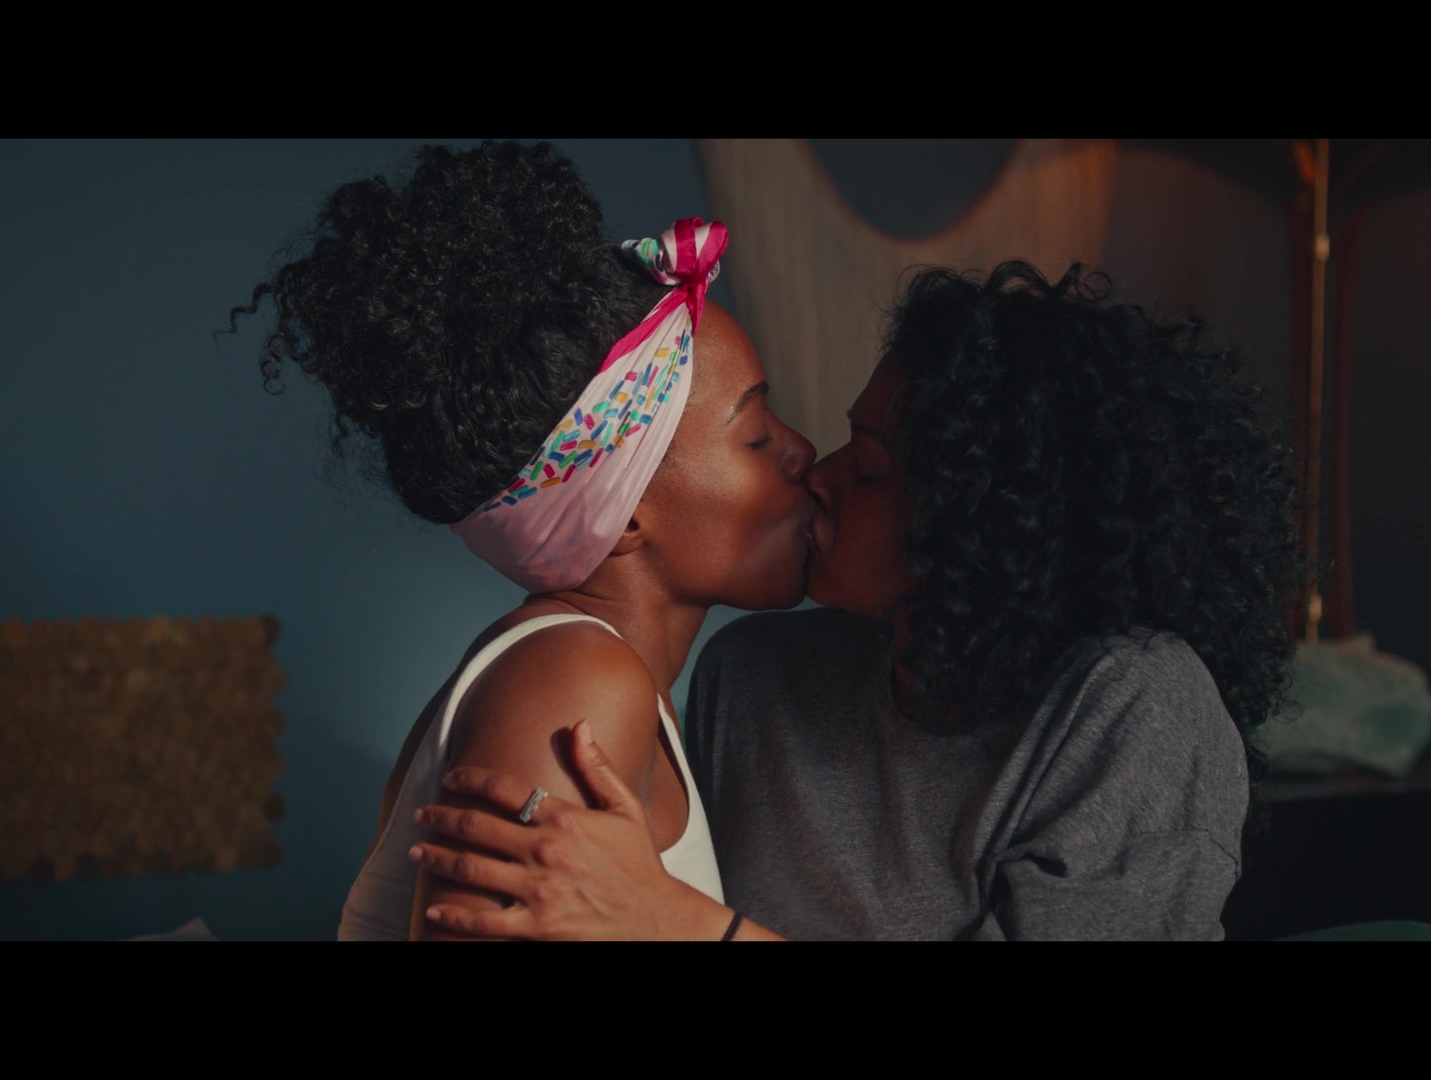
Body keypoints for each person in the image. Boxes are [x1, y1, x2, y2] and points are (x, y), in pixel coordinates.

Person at [407, 260, 1302, 940]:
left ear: (985, 525)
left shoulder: (1130, 707)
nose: (818, 474)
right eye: (762, 437)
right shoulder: (749, 679)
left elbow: (654, 917)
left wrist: (686, 928)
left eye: (869, 469)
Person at [230, 141, 816, 940]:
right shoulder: (577, 684)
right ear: (625, 512)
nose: (802, 452)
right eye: (756, 437)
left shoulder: (596, 678)